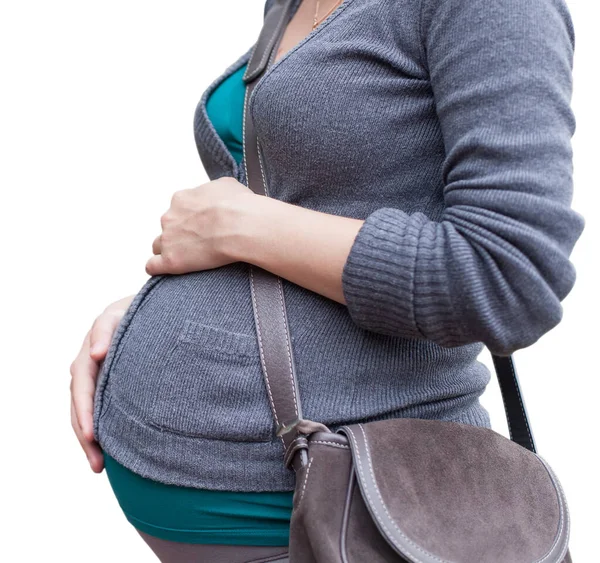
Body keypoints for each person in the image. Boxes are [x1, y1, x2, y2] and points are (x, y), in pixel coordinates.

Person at [69, 0, 585, 560]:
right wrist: (142, 309)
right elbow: (311, 202)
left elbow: (509, 276)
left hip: (347, 493)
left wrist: (240, 229)